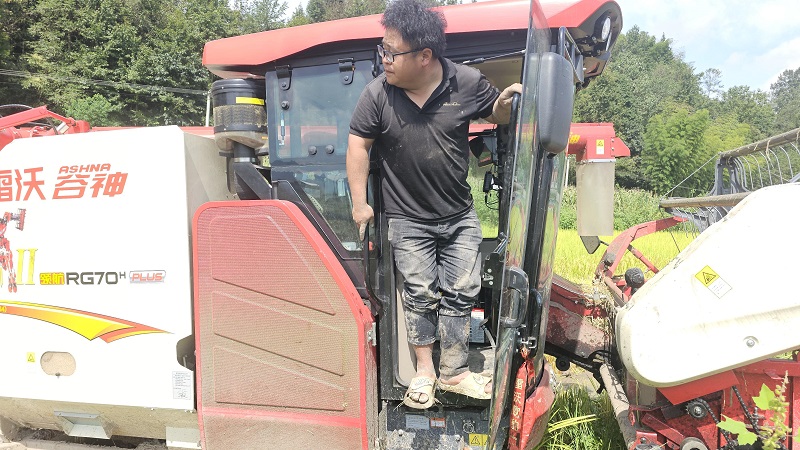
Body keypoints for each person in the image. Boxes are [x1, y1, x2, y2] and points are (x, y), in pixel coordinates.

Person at [346, 0, 521, 409]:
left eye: (392, 52)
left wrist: (503, 104)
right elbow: (358, 146)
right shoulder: (377, 95)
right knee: (420, 294)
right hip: (407, 219)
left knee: (462, 291)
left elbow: (495, 113)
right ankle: (424, 372)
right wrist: (359, 203)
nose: (384, 59)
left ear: (424, 56)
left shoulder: (466, 82)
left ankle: (454, 371)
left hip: (459, 214)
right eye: (383, 50)